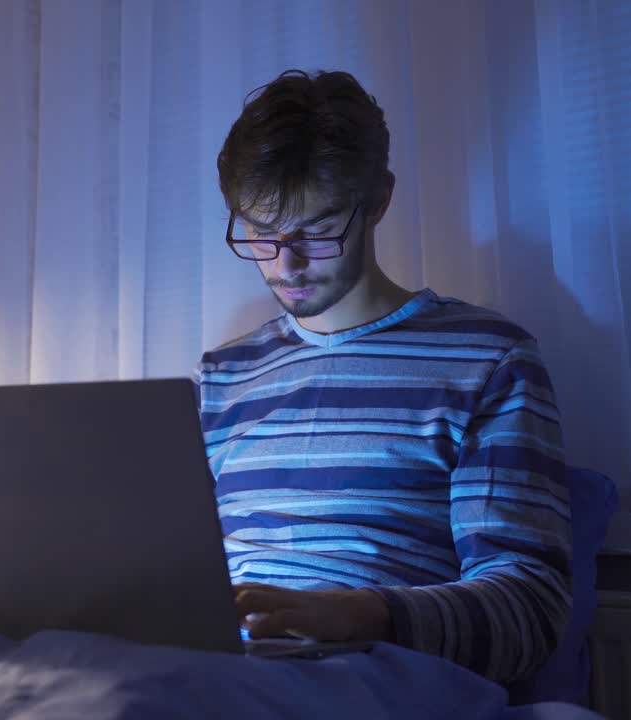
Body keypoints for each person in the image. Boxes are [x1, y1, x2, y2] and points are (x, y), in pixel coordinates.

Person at [196, 69, 571, 685]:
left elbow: (531, 609)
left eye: (317, 231)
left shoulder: (489, 360)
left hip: (371, 672)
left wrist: (365, 615)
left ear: (379, 201)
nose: (285, 264)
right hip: (222, 672)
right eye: (261, 233)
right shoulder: (223, 376)